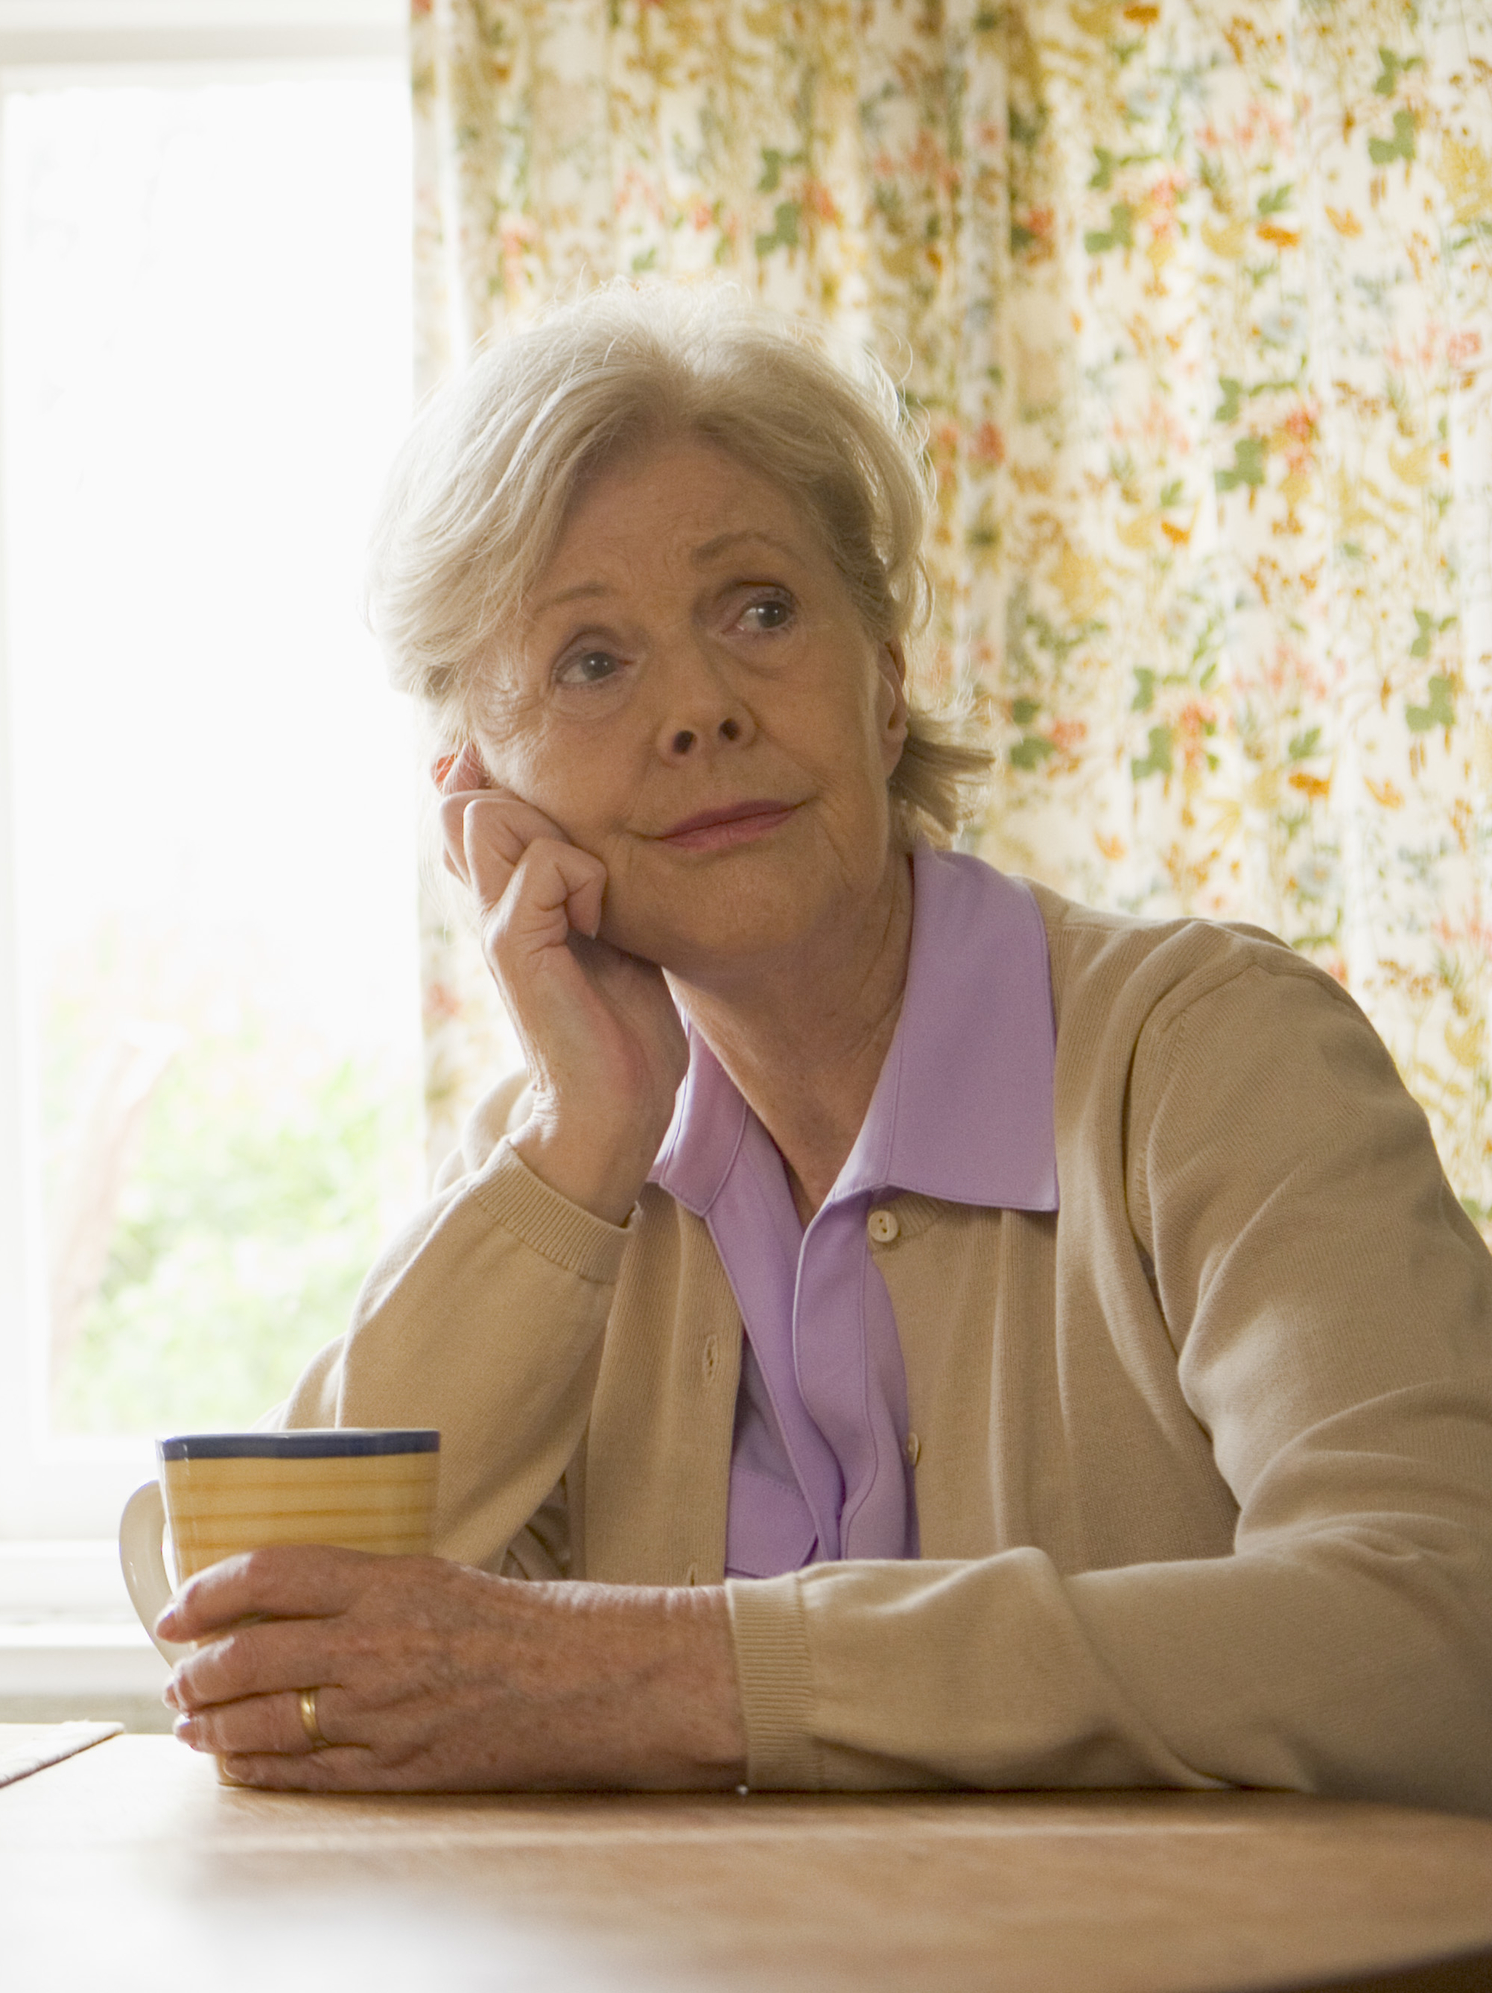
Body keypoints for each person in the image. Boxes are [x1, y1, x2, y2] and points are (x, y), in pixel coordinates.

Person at [157, 288, 1492, 1812]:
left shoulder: (1206, 1060)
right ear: (480, 792)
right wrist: (583, 1136)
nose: (703, 710)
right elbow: (273, 1642)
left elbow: (1443, 1632)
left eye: (761, 611)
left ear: (887, 672)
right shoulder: (559, 1171)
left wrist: (672, 1678)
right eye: (591, 662)